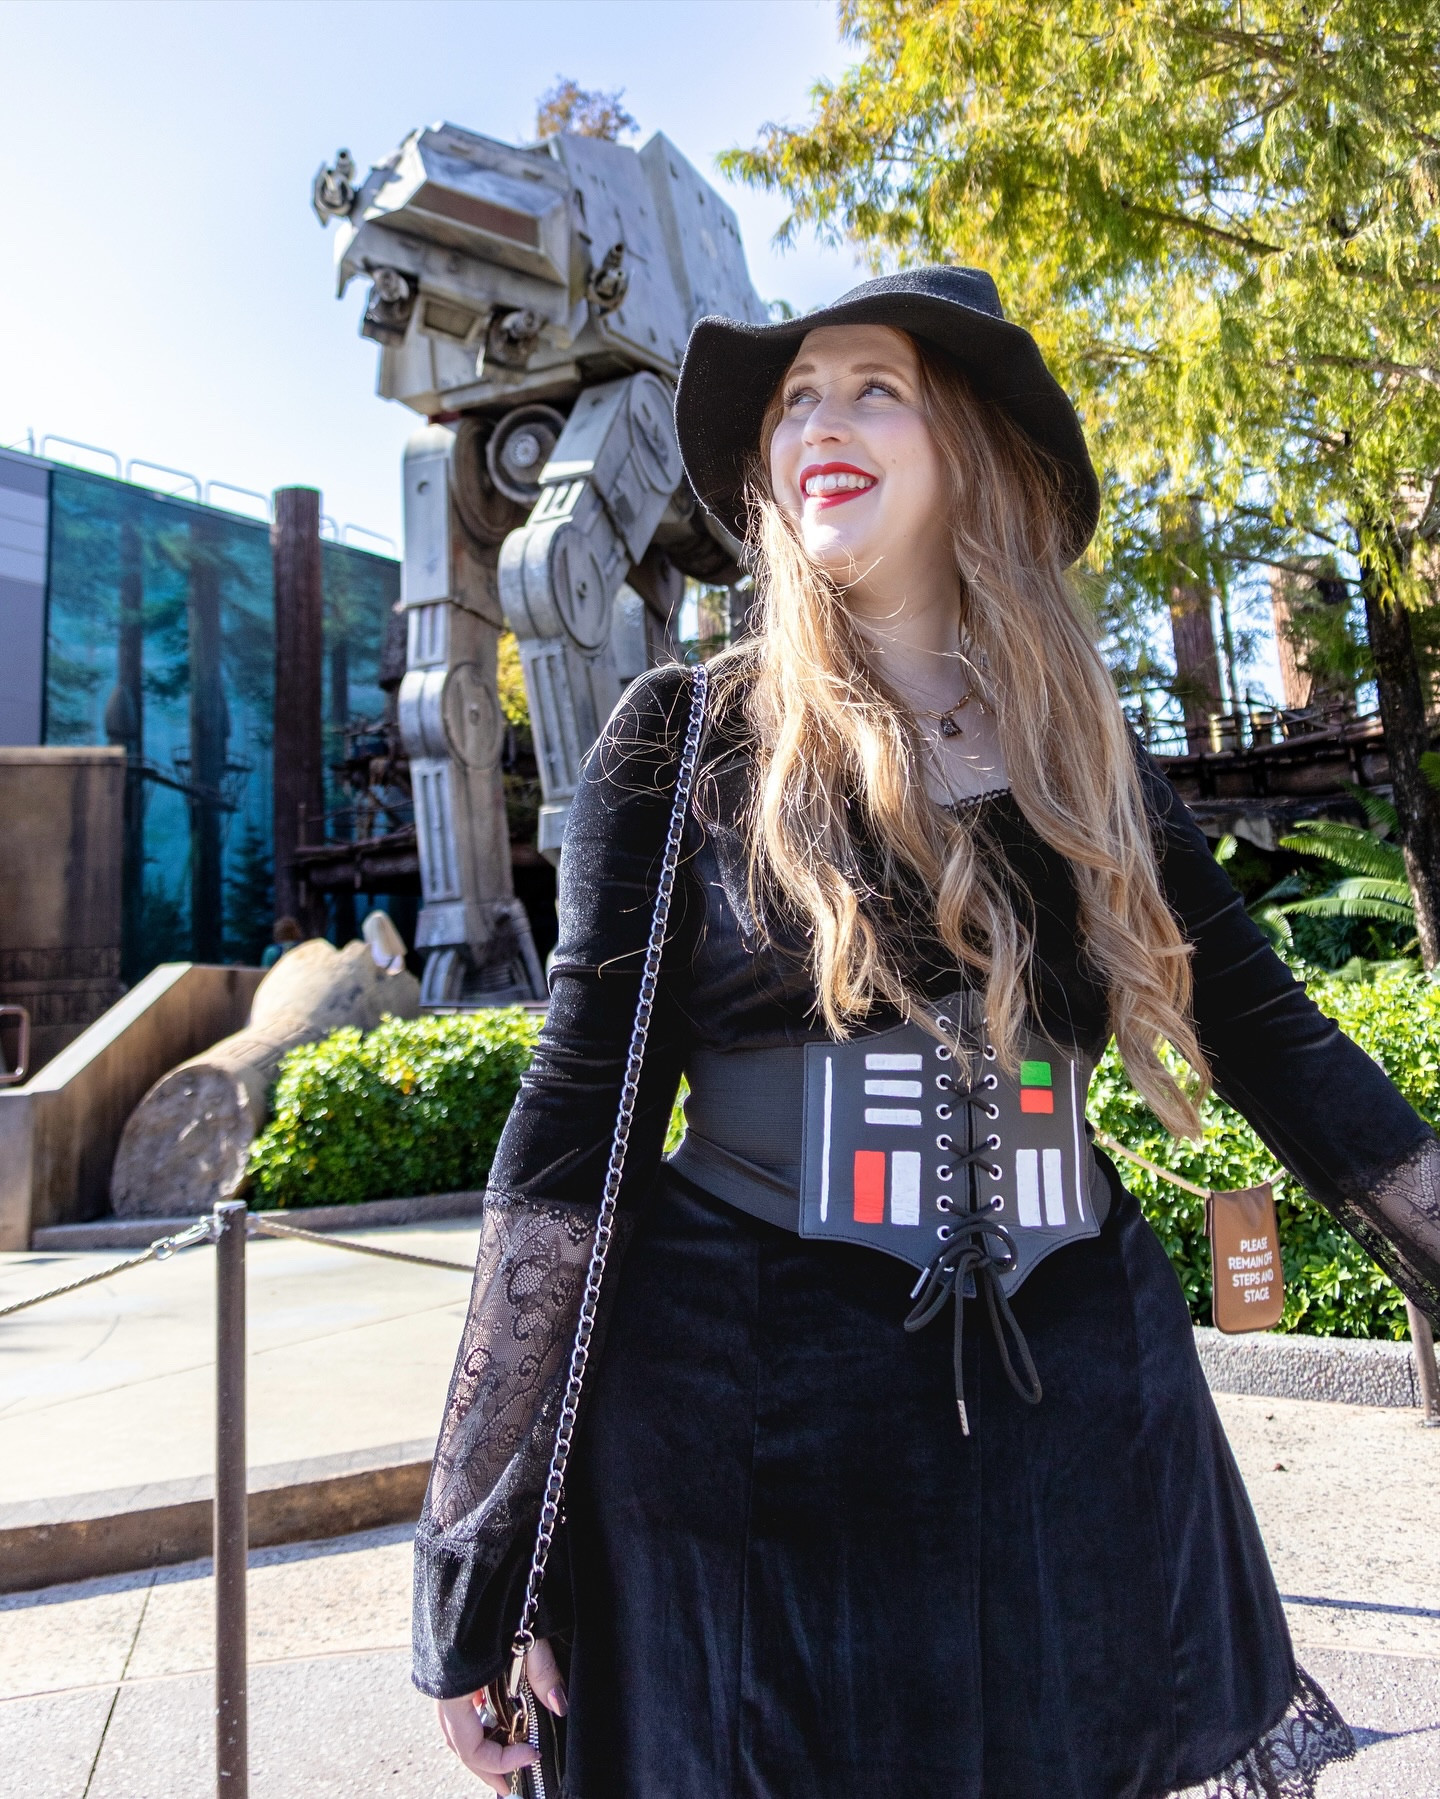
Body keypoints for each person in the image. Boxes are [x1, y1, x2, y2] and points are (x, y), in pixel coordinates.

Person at [412, 267, 1440, 1798]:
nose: (817, 422)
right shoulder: (685, 737)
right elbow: (571, 1135)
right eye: (794, 401)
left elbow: (1289, 1057)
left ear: (964, 439)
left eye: (870, 387)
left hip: (1079, 1430)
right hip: (745, 1443)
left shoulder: (1086, 753)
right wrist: (483, 1552)